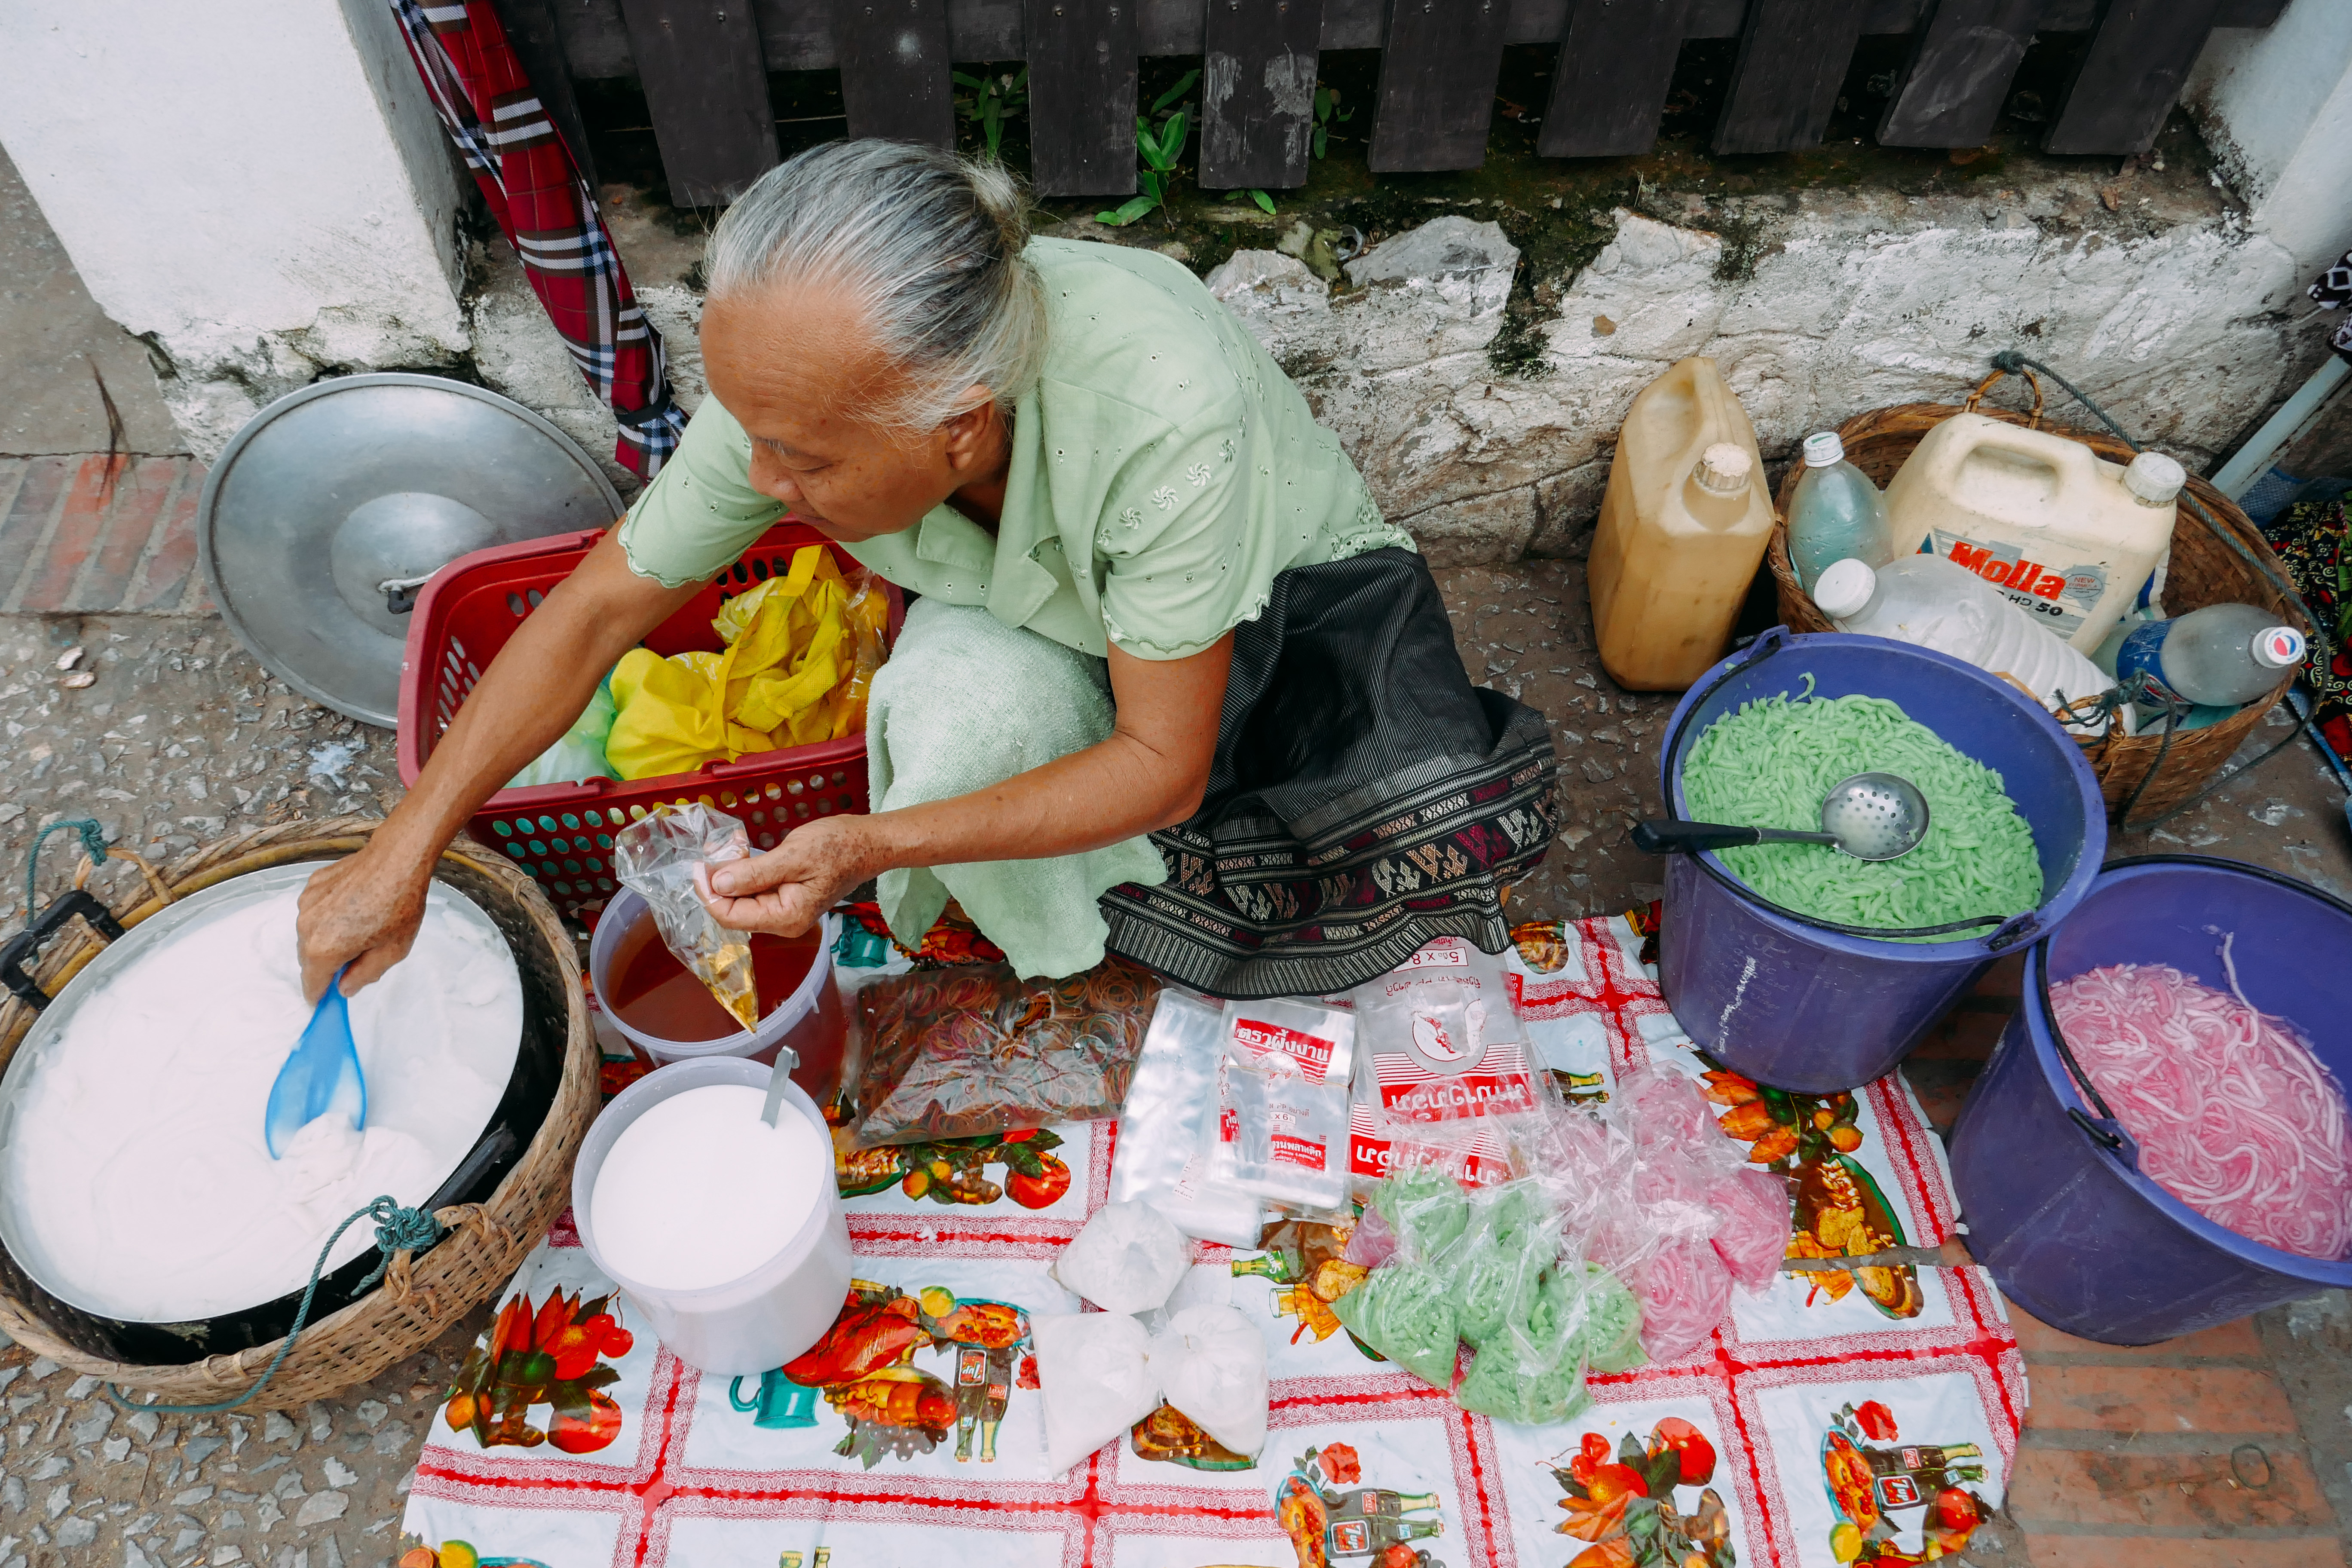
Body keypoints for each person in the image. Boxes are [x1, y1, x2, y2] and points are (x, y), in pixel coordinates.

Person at [297, 141, 1557, 1002]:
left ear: (959, 425)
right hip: (1043, 609)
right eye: (754, 436)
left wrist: (863, 846)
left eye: (802, 459)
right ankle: (1047, 931)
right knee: (953, 725)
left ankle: (1108, 904)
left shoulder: (1164, 415)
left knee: (1404, 836)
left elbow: (1159, 765)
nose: (762, 480)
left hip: (1284, 595)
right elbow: (594, 615)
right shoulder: (797, 406)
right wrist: (403, 847)